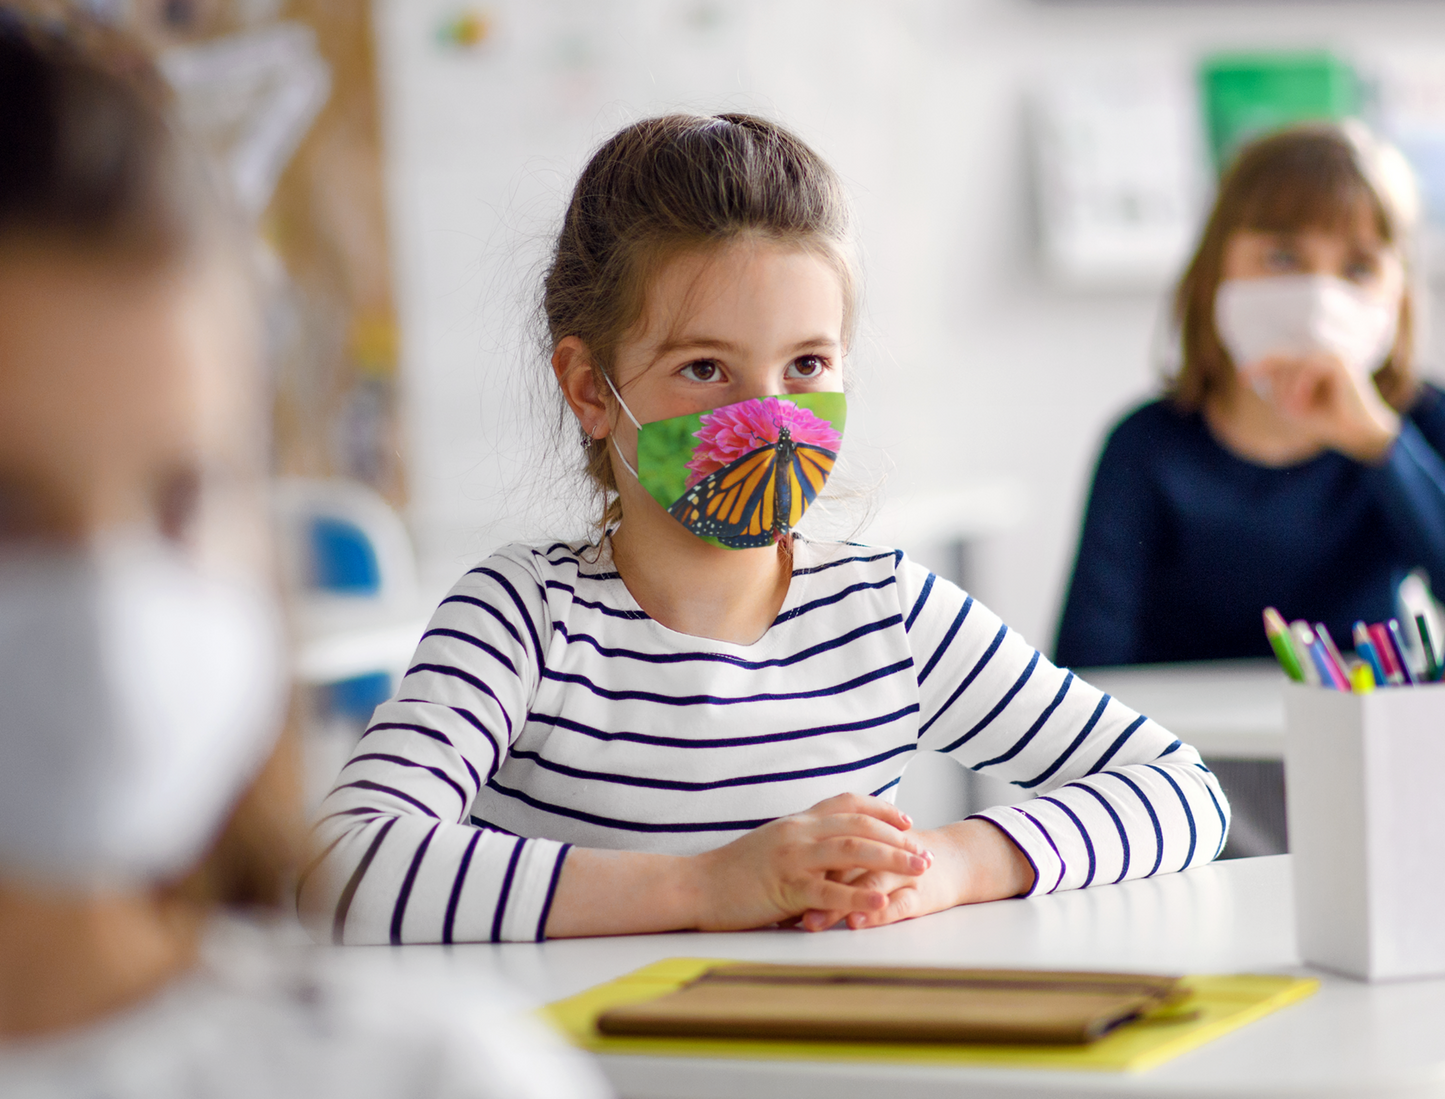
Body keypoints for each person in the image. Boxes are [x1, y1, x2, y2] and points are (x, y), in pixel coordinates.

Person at [305, 112, 1229, 946]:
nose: (769, 413)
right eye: (704, 367)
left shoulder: (886, 615)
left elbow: (1183, 791)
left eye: (806, 364)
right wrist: (705, 886)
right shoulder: (523, 620)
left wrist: (950, 867)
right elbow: (338, 868)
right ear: (591, 389)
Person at [0, 19, 607, 1099]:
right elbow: (376, 848)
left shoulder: (423, 1077)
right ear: (588, 389)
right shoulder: (526, 607)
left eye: (184, 496)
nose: (108, 604)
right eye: (9, 514)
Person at [1056, 122, 1445, 669]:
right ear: (1216, 269)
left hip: (1365, 748)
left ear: (1399, 292)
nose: (1318, 295)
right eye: (1282, 257)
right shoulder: (1144, 447)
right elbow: (1084, 667)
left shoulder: (1420, 424)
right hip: (1185, 750)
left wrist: (1384, 448)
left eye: (1358, 267)